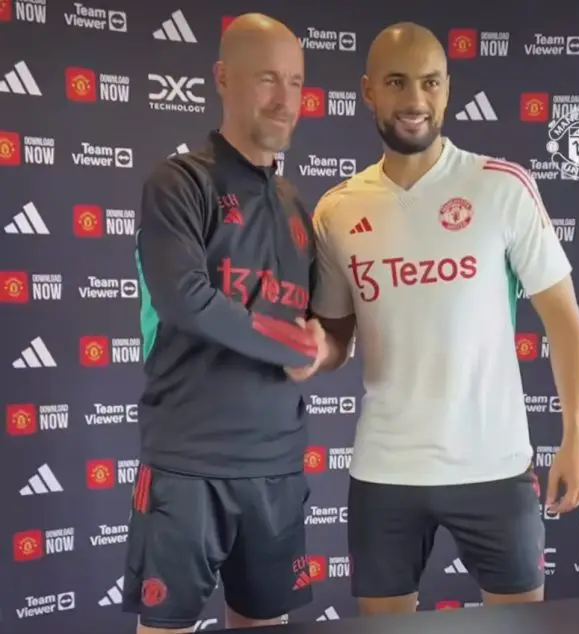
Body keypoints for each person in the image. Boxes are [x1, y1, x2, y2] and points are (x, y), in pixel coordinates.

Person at [287, 23, 579, 615]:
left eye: (430, 83)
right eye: (397, 83)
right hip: (385, 472)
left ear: (447, 90)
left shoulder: (501, 186)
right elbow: (336, 338)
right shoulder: (337, 210)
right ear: (368, 90)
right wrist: (308, 351)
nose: (415, 100)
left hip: (495, 466)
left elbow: (565, 321)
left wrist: (575, 439)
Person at [122, 14, 327, 633]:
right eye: (267, 78)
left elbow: (316, 325)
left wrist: (319, 342)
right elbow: (186, 298)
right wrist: (292, 345)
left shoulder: (296, 206)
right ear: (222, 78)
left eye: (295, 82)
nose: (285, 99)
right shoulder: (180, 182)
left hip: (277, 464)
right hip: (189, 464)